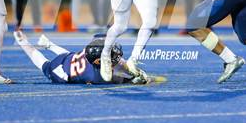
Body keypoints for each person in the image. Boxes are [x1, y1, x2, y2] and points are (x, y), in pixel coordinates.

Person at [13, 31, 150, 84]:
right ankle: (24, 43)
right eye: (110, 54)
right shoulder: (96, 76)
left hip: (71, 58)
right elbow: (121, 79)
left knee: (69, 55)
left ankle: (49, 44)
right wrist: (134, 78)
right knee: (45, 65)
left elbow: (100, 37)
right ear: (98, 62)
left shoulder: (91, 51)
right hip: (62, 72)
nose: (115, 55)